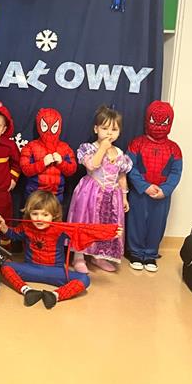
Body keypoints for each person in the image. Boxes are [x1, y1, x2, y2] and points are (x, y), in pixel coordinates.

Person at [0, 190, 121, 309]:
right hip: (31, 269)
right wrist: (3, 228)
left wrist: (111, 232)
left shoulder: (61, 228)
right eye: (35, 214)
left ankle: (54, 295)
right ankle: (27, 290)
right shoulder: (26, 226)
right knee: (4, 266)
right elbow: (14, 235)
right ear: (29, 213)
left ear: (54, 215)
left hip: (55, 272)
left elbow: (86, 231)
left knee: (84, 279)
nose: (39, 218)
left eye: (45, 215)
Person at [67, 105, 132, 273]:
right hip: (91, 193)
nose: (109, 133)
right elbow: (93, 165)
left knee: (104, 225)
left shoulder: (119, 153)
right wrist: (102, 148)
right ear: (96, 129)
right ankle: (79, 256)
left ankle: (98, 256)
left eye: (114, 129)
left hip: (111, 196)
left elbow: (121, 176)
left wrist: (124, 197)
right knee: (86, 222)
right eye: (105, 128)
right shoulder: (89, 148)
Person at [126, 101, 183, 272]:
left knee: (157, 224)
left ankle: (151, 254)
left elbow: (176, 172)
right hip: (139, 193)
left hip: (161, 195)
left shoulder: (174, 148)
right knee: (136, 222)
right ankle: (135, 253)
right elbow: (129, 167)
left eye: (163, 122)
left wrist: (165, 190)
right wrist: (144, 186)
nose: (158, 127)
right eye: (154, 121)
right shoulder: (136, 143)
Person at [19, 107, 77, 201]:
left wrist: (61, 163)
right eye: (45, 126)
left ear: (59, 126)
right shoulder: (30, 147)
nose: (49, 131)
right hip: (35, 196)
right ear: (39, 125)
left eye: (54, 127)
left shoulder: (65, 148)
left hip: (56, 196)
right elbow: (25, 169)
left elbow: (72, 169)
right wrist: (42, 163)